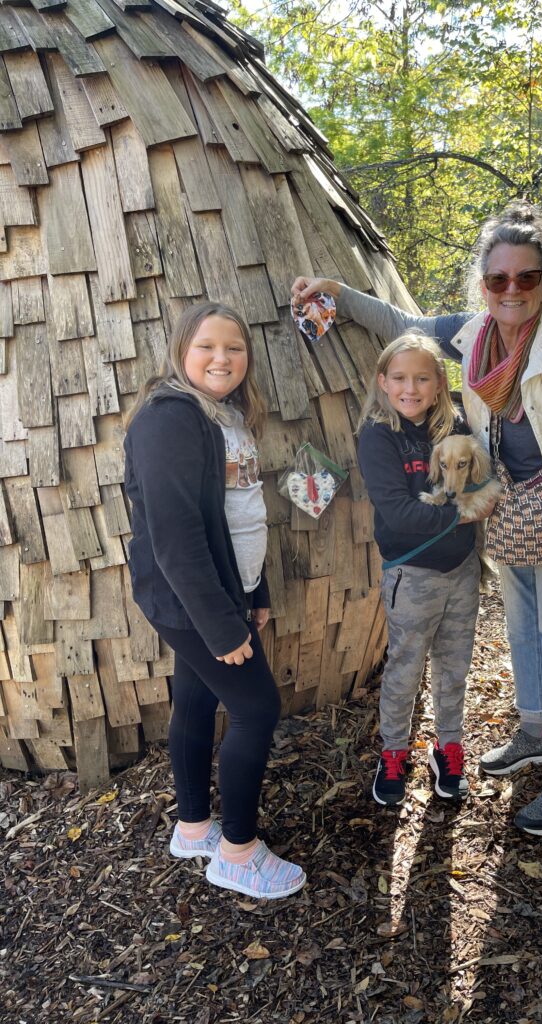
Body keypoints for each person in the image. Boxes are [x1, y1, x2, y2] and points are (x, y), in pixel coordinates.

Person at [292, 200, 542, 837]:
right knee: (525, 633)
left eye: (526, 278)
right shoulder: (475, 336)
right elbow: (404, 322)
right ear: (484, 285)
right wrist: (337, 293)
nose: (512, 291)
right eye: (499, 279)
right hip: (507, 513)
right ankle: (533, 734)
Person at [124, 302, 305, 898]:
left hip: (222, 595)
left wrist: (254, 592)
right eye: (207, 346)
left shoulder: (223, 417)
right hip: (193, 603)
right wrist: (222, 627)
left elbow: (241, 513)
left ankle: (194, 827)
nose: (222, 358)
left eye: (234, 347)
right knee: (257, 711)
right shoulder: (169, 420)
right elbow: (177, 540)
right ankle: (237, 854)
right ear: (181, 351)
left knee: (198, 703)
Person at [355, 331, 493, 805]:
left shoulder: (455, 427)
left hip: (462, 570)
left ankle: (448, 746)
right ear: (382, 381)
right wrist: (463, 512)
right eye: (399, 378)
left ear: (438, 383)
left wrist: (476, 503)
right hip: (411, 575)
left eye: (421, 378)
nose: (409, 388)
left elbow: (485, 478)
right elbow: (399, 514)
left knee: (454, 666)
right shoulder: (378, 436)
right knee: (405, 668)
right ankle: (394, 752)